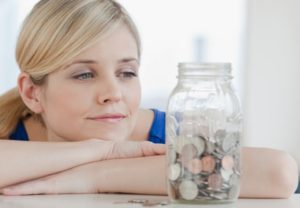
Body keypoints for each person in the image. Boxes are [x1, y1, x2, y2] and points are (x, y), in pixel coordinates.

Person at [0, 0, 298, 197]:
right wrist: (103, 151)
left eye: (127, 72)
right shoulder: (9, 128)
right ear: (31, 92)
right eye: (84, 75)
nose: (113, 94)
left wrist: (96, 176)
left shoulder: (168, 133)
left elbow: (278, 172)